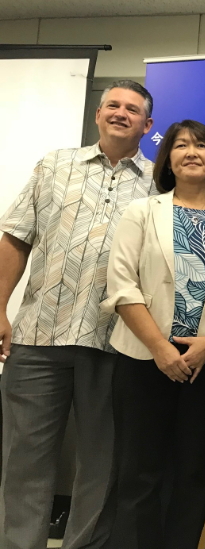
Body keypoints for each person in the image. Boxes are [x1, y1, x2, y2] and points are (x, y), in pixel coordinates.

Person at [0, 80, 157, 549]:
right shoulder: (54, 165)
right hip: (36, 335)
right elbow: (15, 238)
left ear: (147, 125)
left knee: (100, 464)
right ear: (98, 114)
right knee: (23, 459)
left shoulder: (158, 183)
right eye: (113, 105)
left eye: (133, 109)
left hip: (115, 342)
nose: (120, 113)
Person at [100, 120, 205, 549]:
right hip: (144, 361)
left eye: (201, 145)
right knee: (139, 473)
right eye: (181, 145)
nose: (191, 152)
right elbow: (121, 286)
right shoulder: (141, 212)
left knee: (194, 474)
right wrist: (160, 348)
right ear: (169, 159)